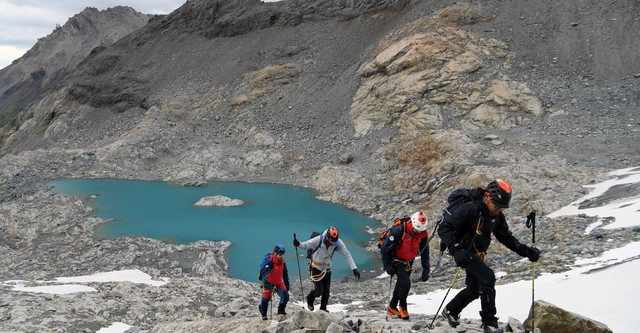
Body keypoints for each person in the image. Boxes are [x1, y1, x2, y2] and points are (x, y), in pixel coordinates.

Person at [437, 179, 540, 333]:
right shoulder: (470, 208)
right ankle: (489, 323)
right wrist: (456, 250)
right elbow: (444, 227)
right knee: (488, 277)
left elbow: (506, 238)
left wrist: (526, 251)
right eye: (497, 205)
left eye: (502, 207)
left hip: (477, 252)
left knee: (473, 289)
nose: (498, 210)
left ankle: (451, 310)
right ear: (488, 197)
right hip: (464, 250)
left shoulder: (497, 216)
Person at [293, 226, 360, 312]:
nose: (333, 243)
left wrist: (354, 268)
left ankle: (323, 309)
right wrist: (298, 244)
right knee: (319, 291)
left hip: (327, 268)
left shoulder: (338, 242)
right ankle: (310, 298)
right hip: (316, 267)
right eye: (331, 241)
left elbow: (346, 254)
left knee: (326, 291)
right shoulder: (318, 240)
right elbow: (305, 245)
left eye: (334, 241)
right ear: (327, 237)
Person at [381, 211, 430, 320]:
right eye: (417, 230)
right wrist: (387, 266)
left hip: (408, 260)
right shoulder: (399, 230)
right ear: (412, 224)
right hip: (396, 259)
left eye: (420, 230)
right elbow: (385, 247)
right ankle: (403, 306)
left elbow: (425, 250)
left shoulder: (422, 232)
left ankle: (392, 307)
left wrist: (426, 269)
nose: (418, 232)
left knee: (401, 283)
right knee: (406, 283)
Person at [258, 244, 290, 320]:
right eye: (280, 254)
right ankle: (263, 313)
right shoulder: (268, 260)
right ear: (275, 253)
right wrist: (269, 266)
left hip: (278, 282)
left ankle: (281, 313)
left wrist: (287, 284)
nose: (281, 256)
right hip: (268, 283)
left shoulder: (282, 262)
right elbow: (262, 272)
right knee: (266, 299)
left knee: (285, 296)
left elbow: (285, 273)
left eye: (282, 254)